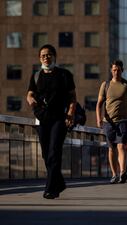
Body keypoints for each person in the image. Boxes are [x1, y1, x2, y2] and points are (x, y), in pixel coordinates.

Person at [26, 44, 76, 199]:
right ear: (39, 58)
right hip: (41, 119)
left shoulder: (64, 74)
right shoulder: (36, 76)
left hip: (59, 119)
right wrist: (32, 103)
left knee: (54, 152)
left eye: (48, 55)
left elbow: (72, 98)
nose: (46, 58)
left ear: (54, 56)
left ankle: (50, 189)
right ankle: (59, 182)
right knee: (46, 154)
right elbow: (29, 94)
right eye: (43, 56)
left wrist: (70, 114)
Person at [96, 60, 127, 184]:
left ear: (122, 70)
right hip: (108, 122)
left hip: (123, 120)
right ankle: (114, 174)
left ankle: (123, 172)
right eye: (114, 70)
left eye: (118, 70)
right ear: (111, 71)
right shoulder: (105, 85)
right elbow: (99, 104)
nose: (116, 72)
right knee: (112, 148)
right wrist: (98, 118)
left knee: (121, 146)